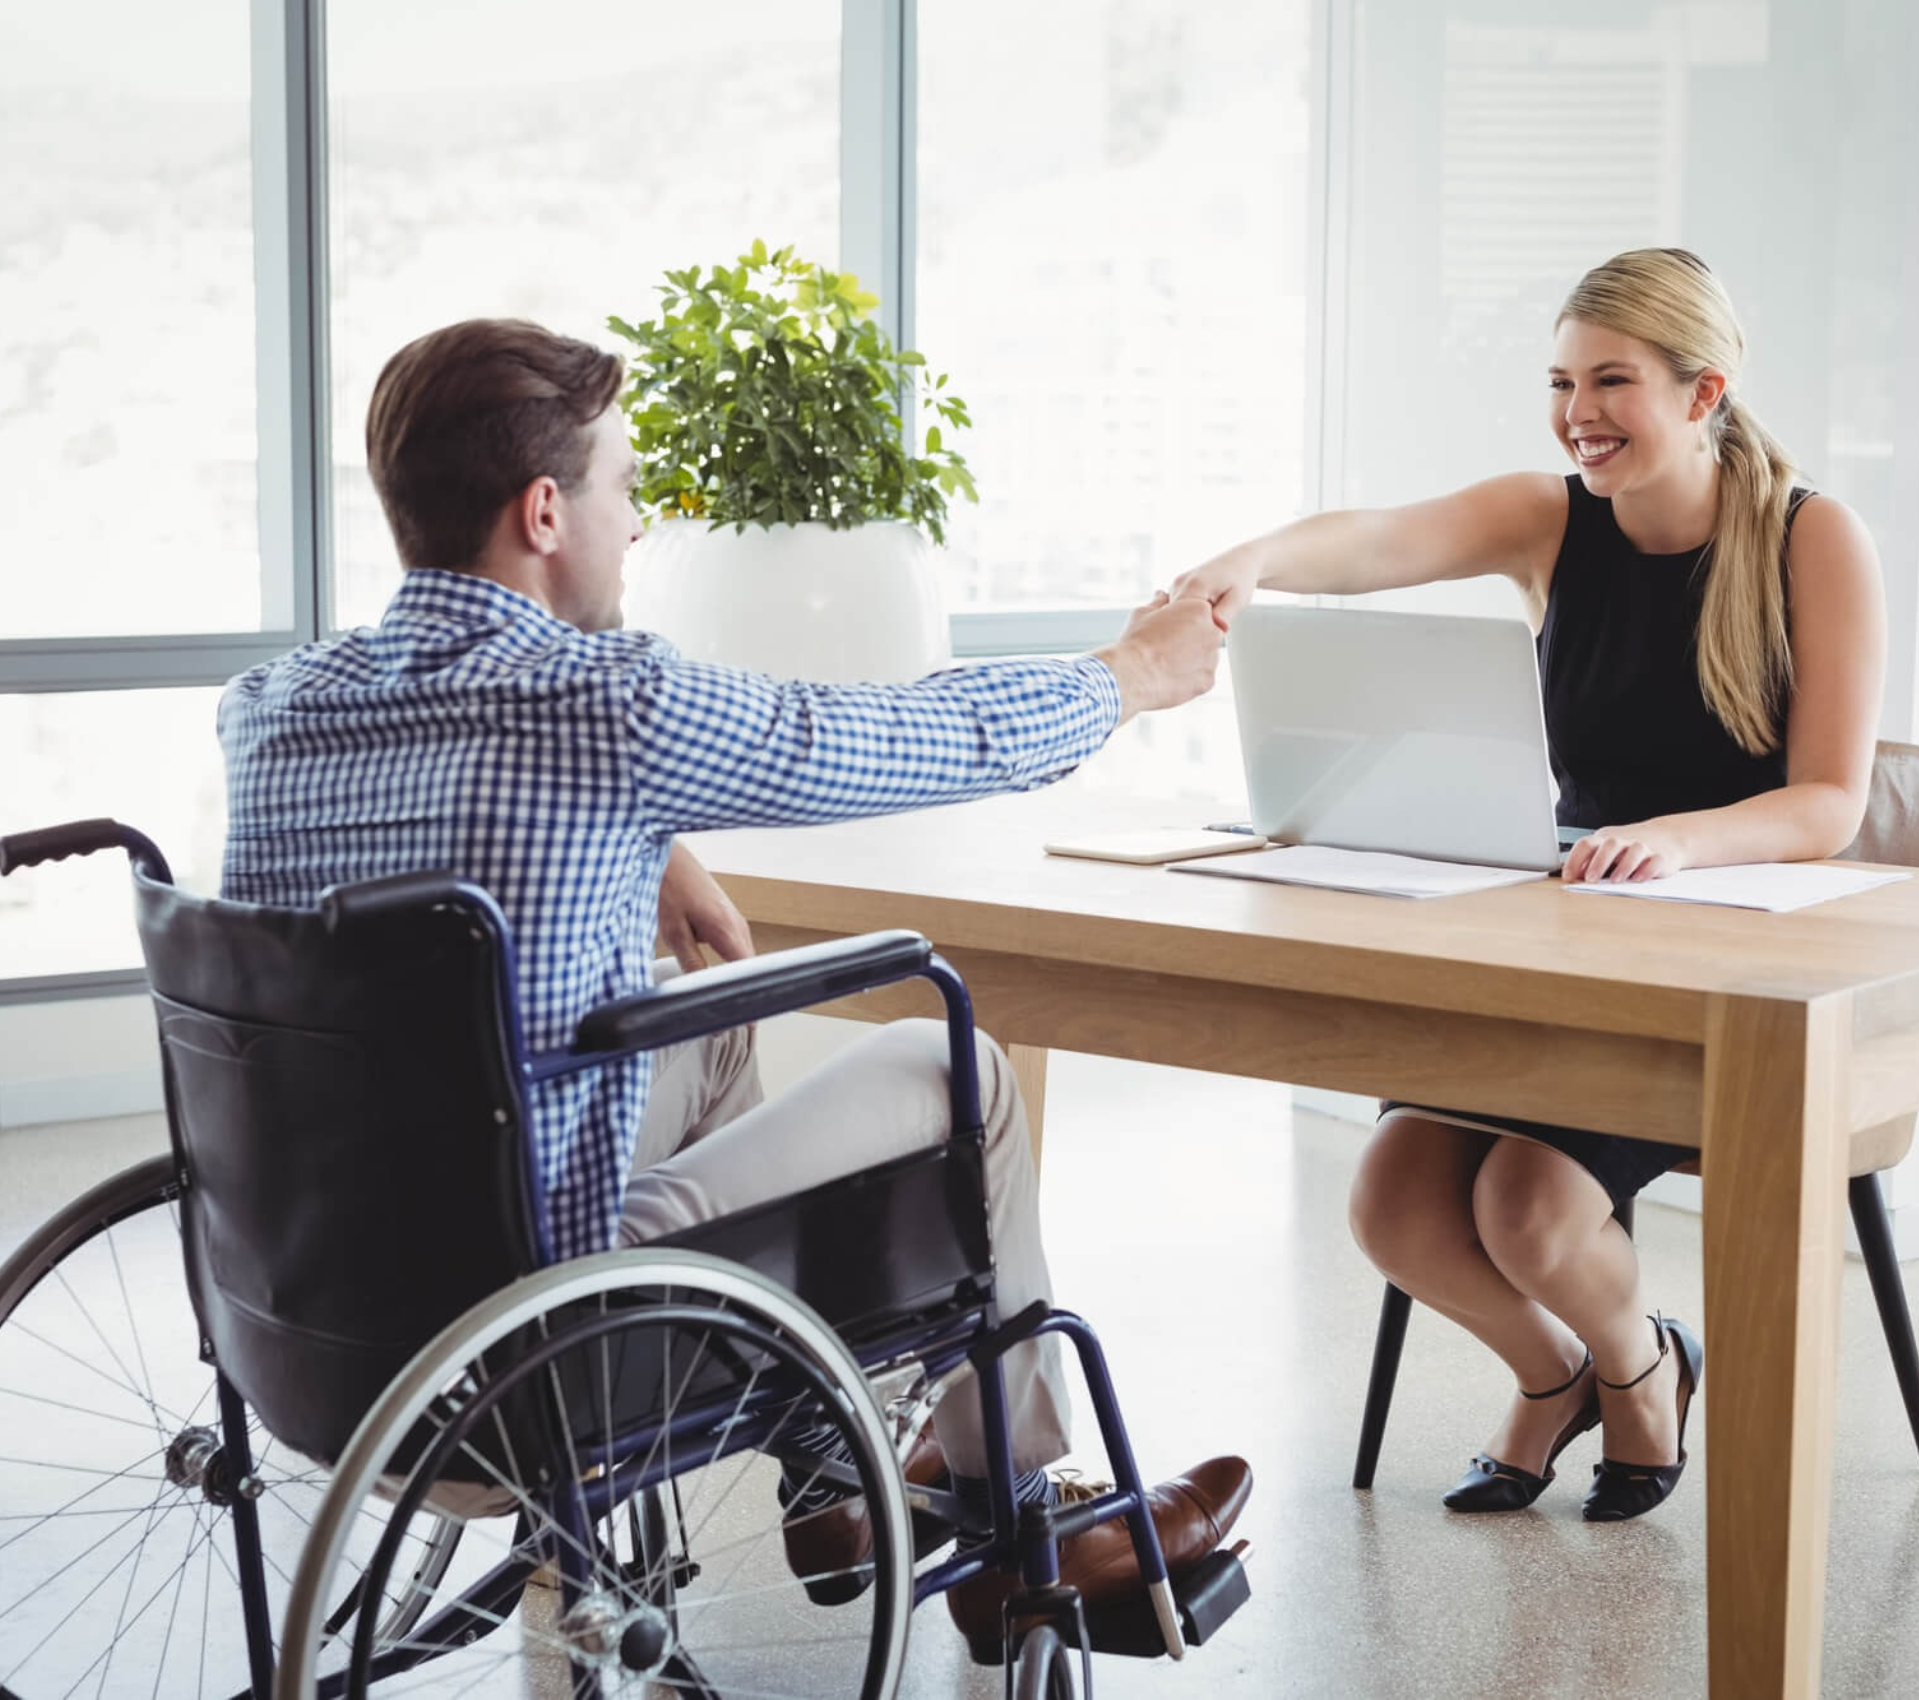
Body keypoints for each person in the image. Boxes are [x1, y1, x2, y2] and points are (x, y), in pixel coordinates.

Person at [217, 317, 1251, 1630]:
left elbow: (424, 831)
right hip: (529, 1345)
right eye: (624, 491)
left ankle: (827, 1466)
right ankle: (1017, 1523)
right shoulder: (602, 704)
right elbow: (892, 734)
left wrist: (644, 843)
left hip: (315, 1327)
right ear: (545, 511)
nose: (635, 527)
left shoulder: (272, 708)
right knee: (960, 1065)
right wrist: (1127, 676)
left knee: (698, 1027)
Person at [1170, 248, 1884, 1521]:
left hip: (1713, 953)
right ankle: (1561, 1373)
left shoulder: (1811, 536)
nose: (1578, 414)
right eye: (1562, 381)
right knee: (1390, 1203)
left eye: (1613, 381)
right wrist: (1254, 558)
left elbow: (1831, 800)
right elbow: (1382, 539)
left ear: (1703, 389)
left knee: (1527, 1205)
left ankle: (1645, 1371)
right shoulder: (1551, 516)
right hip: (1561, 931)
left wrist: (1679, 839)